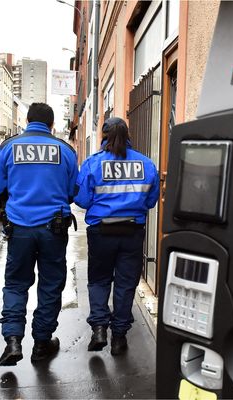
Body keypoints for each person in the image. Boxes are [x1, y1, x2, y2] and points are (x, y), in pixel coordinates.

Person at [0, 103, 78, 366]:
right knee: (50, 285)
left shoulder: (8, 147)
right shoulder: (66, 150)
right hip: (54, 229)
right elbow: (73, 192)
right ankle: (42, 342)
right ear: (51, 125)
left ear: (27, 121)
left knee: (16, 283)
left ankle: (13, 340)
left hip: (20, 228)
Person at [75, 117, 159, 356]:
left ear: (103, 136)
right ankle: (119, 338)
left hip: (101, 232)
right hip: (132, 233)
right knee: (125, 284)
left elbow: (81, 200)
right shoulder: (146, 164)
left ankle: (100, 328)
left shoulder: (93, 163)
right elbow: (151, 201)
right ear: (128, 135)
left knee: (99, 280)